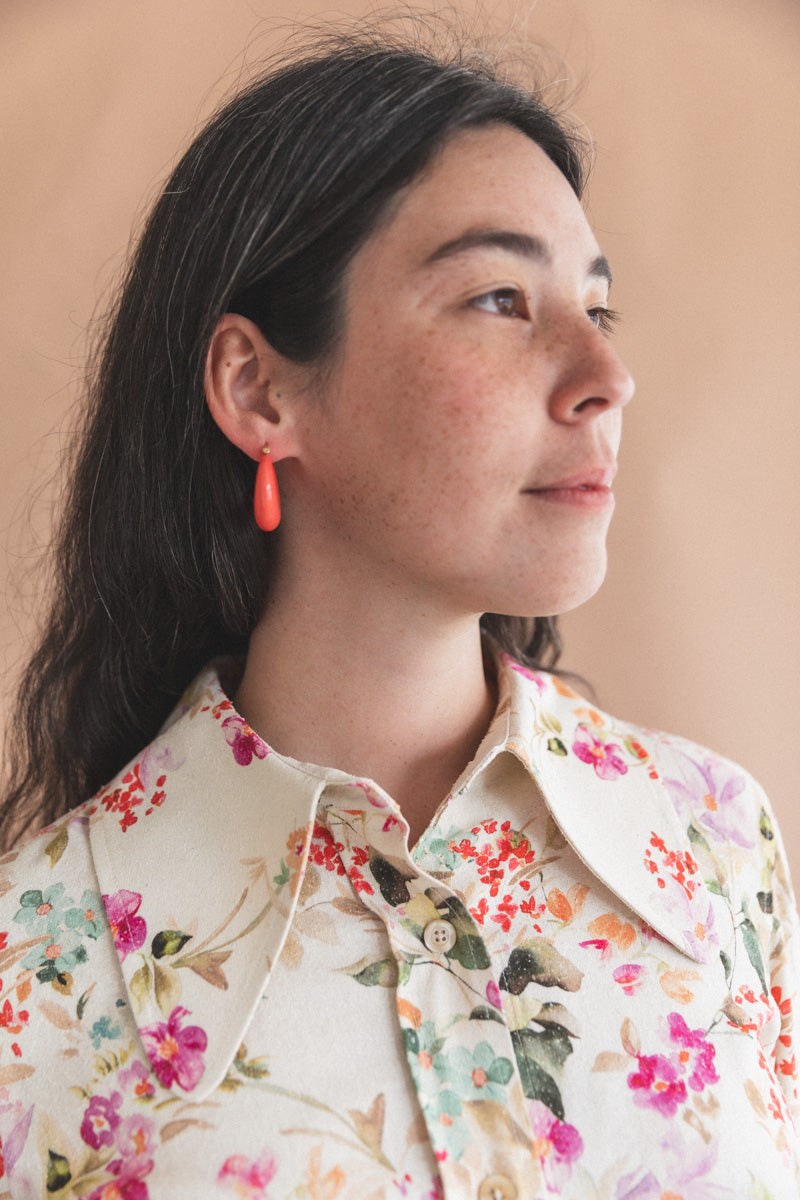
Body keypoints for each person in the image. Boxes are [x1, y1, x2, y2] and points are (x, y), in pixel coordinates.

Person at [0, 26, 797, 1200]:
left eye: (595, 306)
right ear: (259, 390)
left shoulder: (716, 846)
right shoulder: (37, 970)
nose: (604, 377)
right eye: (496, 298)